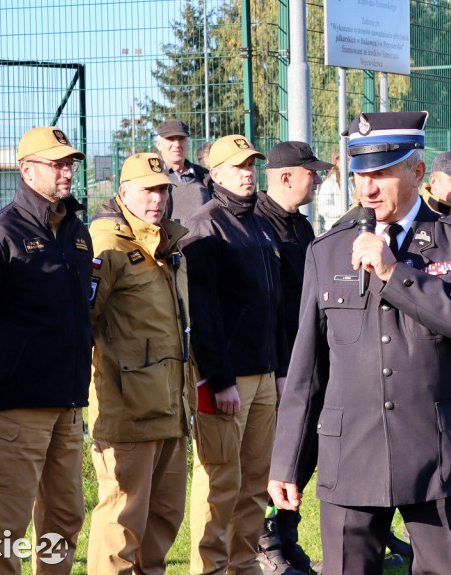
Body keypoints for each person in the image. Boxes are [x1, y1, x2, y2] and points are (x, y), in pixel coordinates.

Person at [267, 111, 451, 575]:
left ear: (416, 172)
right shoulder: (326, 250)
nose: (367, 188)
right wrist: (287, 460)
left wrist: (396, 273)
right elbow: (308, 366)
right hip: (350, 454)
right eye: (359, 175)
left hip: (437, 456)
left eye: (380, 175)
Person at [0, 126, 91, 574]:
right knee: (5, 531)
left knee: (64, 519)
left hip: (67, 406)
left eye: (70, 162)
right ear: (27, 169)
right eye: (57, 163)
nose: (67, 171)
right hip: (16, 409)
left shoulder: (77, 232)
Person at [86, 153, 195, 574]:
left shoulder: (168, 242)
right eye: (148, 189)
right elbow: (83, 320)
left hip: (170, 407)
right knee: (121, 523)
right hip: (128, 411)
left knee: (163, 522)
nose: (158, 198)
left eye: (164, 189)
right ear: (124, 191)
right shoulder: (108, 243)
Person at [182, 134, 286, 575]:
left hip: (263, 372)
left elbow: (273, 302)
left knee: (255, 482)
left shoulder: (259, 222)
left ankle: (243, 565)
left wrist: (278, 367)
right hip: (228, 377)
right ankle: (208, 568)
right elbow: (201, 314)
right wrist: (220, 379)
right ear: (215, 174)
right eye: (239, 166)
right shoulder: (204, 226)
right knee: (220, 481)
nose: (248, 173)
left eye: (251, 165)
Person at [254, 141, 333, 575]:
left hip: (307, 360)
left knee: (304, 452)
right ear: (286, 177)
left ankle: (289, 535)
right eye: (311, 173)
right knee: (275, 455)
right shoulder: (259, 224)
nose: (318, 179)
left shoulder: (300, 227)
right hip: (276, 363)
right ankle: (266, 544)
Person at [155, 119, 214, 224]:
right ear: (158, 144)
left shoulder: (205, 176)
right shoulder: (152, 177)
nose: (177, 144)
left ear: (187, 142)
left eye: (181, 138)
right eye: (170, 139)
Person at [315, 150, 353, 232]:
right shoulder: (329, 183)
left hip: (349, 228)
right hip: (333, 229)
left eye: (350, 159)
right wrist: (345, 210)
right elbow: (323, 209)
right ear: (336, 161)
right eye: (347, 160)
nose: (350, 163)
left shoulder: (349, 181)